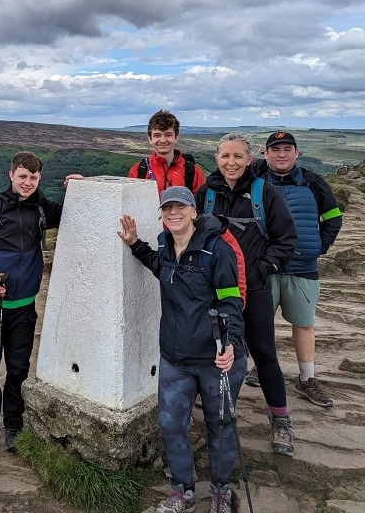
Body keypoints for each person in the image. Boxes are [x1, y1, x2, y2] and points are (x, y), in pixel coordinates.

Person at [118, 186, 245, 513]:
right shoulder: (164, 244)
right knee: (172, 424)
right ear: (162, 213)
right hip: (175, 357)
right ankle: (182, 491)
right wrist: (135, 245)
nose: (173, 213)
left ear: (193, 211)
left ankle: (221, 493)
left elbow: (232, 301)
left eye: (180, 207)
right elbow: (162, 269)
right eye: (167, 208)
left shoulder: (216, 251)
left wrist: (229, 343)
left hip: (216, 358)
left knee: (221, 425)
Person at [0, 151, 79, 452]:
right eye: (23, 176)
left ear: (39, 179)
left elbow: (77, 213)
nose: (28, 182)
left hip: (23, 306)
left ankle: (14, 424)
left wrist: (79, 188)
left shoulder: (43, 208)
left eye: (34, 177)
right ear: (11, 174)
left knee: (17, 367)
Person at [194, 134, 298, 456]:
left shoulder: (264, 193)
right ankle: (216, 414)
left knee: (264, 355)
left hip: (254, 288)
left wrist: (263, 267)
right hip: (215, 291)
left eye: (238, 156)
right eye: (225, 156)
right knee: (212, 353)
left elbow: (287, 237)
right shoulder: (205, 194)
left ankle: (280, 419)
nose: (232, 162)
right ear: (217, 158)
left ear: (249, 158)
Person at [252, 131, 342, 408]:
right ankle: (260, 367)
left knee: (303, 324)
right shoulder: (254, 180)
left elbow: (333, 218)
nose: (282, 154)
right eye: (275, 149)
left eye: (287, 149)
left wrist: (318, 246)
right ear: (265, 154)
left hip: (302, 267)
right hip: (264, 267)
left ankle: (306, 379)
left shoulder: (313, 181)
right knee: (257, 323)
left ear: (296, 152)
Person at [128, 109, 206, 193]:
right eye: (157, 135)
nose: (163, 140)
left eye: (168, 135)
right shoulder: (137, 171)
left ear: (176, 137)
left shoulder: (194, 172)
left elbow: (199, 205)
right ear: (150, 139)